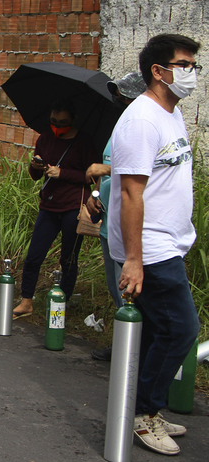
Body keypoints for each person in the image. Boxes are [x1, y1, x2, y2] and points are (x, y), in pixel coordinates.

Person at [108, 34, 201, 456]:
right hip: (150, 247)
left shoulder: (171, 113)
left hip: (169, 241)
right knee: (182, 329)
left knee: (159, 331)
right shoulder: (142, 120)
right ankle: (143, 413)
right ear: (158, 72)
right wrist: (133, 259)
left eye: (194, 65)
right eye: (184, 65)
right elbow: (130, 193)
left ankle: (139, 408)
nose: (192, 73)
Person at [12, 98, 99, 319]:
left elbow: (92, 177)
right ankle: (26, 301)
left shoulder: (84, 142)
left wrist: (64, 173)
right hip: (49, 205)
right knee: (34, 255)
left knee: (68, 258)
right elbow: (35, 176)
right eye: (53, 121)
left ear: (73, 120)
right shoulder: (45, 139)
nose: (57, 126)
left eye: (62, 122)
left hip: (73, 207)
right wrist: (35, 166)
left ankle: (63, 302)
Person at [85, 72, 147, 361]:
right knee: (115, 287)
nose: (119, 101)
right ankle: (125, 344)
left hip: (128, 226)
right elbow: (110, 163)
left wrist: (104, 170)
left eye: (125, 97)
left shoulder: (144, 127)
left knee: (133, 292)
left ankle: (138, 350)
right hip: (109, 221)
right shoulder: (119, 127)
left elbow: (140, 170)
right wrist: (95, 193)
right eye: (118, 97)